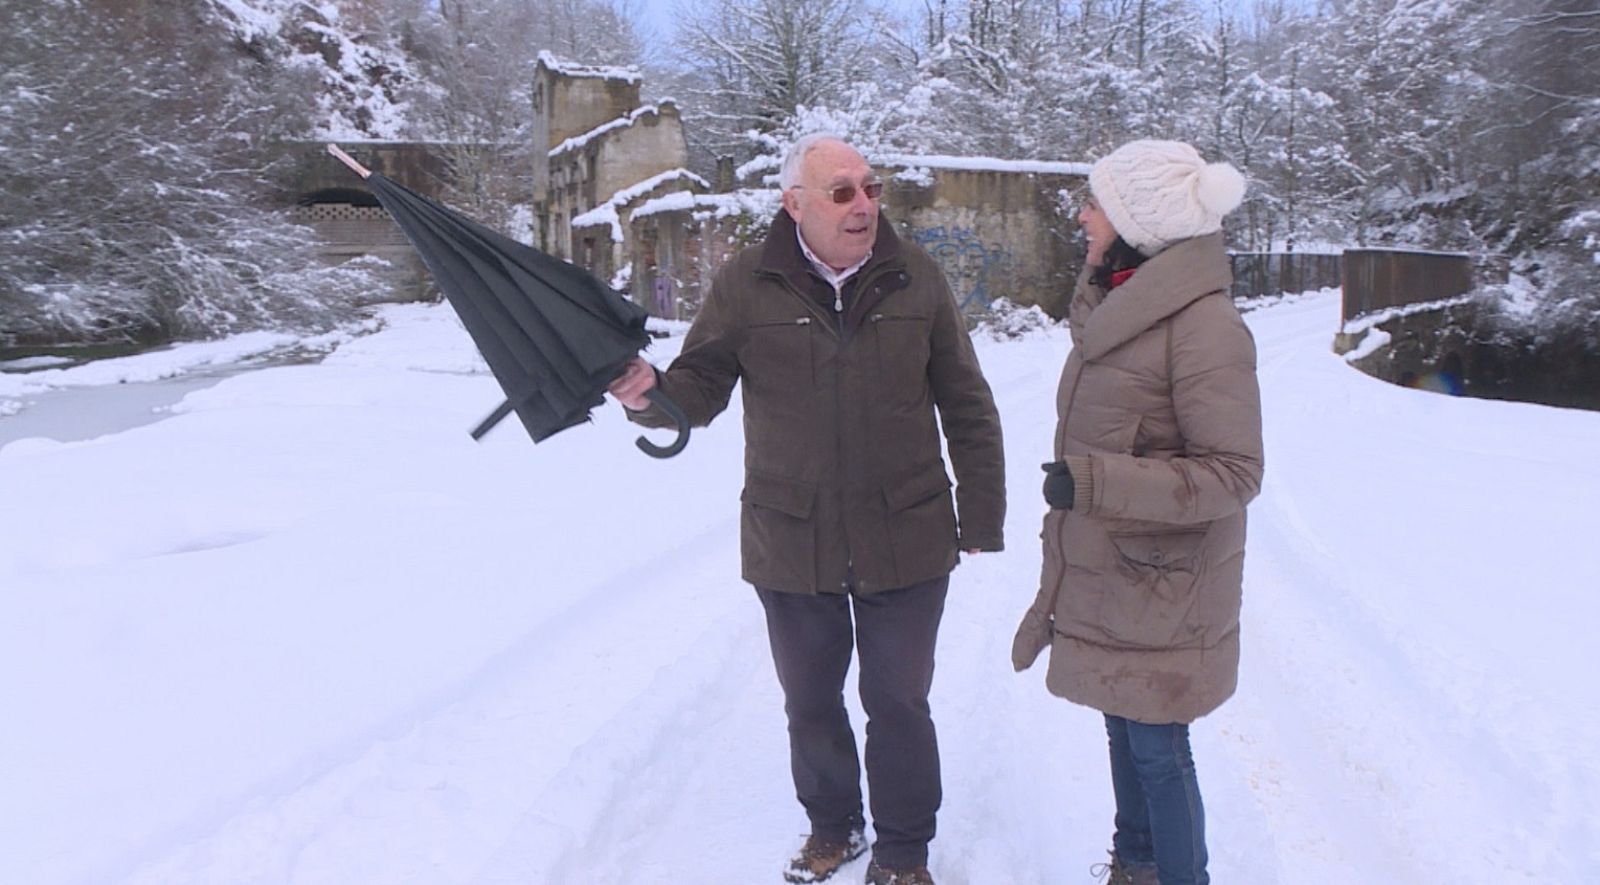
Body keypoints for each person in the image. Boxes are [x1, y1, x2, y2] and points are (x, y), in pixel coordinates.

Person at [609, 134, 1006, 885]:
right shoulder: (747, 283)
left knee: (897, 699)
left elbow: (966, 401)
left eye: (871, 187)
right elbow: (700, 383)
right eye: (842, 191)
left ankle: (903, 852)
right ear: (794, 203)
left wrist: (981, 515)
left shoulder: (912, 276)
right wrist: (650, 394)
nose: (863, 204)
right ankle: (832, 826)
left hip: (907, 527)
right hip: (792, 533)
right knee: (810, 700)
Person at [1010, 139, 1263, 885]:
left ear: (1139, 223)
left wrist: (1095, 483)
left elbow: (1234, 471)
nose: (1083, 215)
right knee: (1123, 721)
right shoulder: (1122, 305)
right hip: (1119, 569)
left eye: (1098, 203)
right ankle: (1139, 865)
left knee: (1157, 742)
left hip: (1165, 581)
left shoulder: (1204, 325)